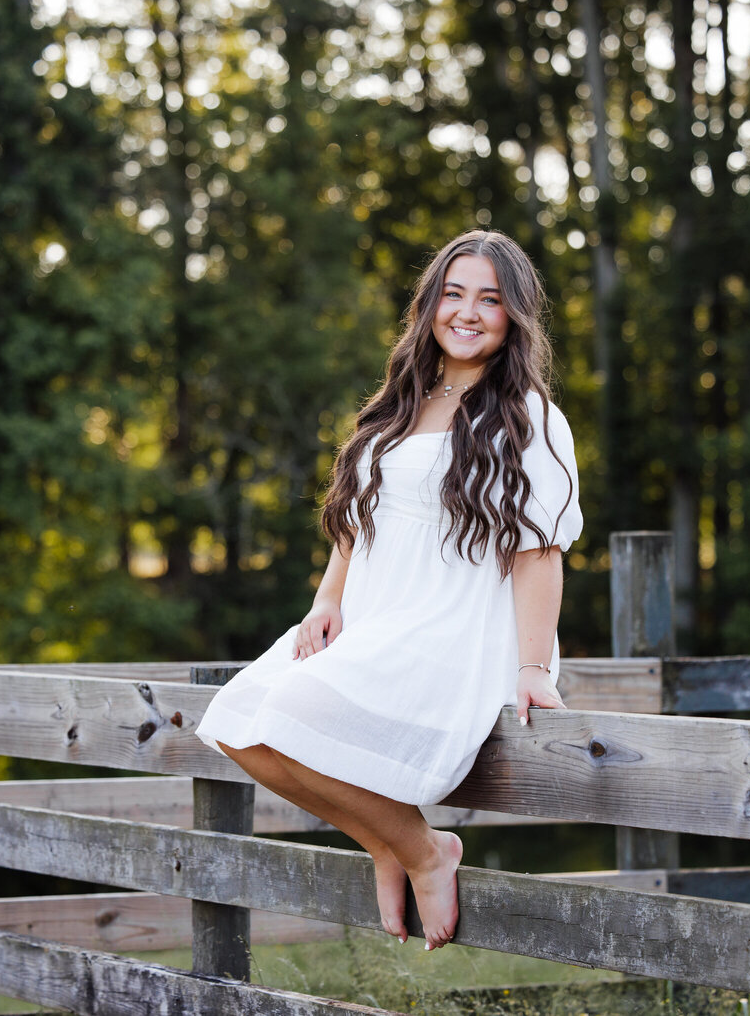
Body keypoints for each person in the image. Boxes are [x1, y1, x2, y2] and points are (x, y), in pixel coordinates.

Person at [195, 229, 582, 952]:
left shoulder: (529, 416)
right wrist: (326, 600)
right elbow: (358, 520)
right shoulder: (404, 399)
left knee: (288, 714)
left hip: (457, 626)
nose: (467, 312)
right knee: (237, 721)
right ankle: (393, 841)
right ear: (431, 302)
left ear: (515, 317)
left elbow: (539, 552)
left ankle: (427, 851)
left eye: (490, 300)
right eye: (454, 292)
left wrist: (533, 669)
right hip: (375, 614)